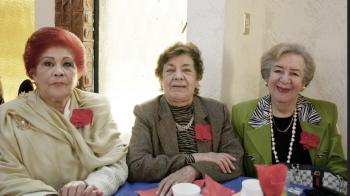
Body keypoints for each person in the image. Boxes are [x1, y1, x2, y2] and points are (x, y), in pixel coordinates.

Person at [0, 27, 128, 196]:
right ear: (33, 73)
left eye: (67, 64)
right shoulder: (8, 116)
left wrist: (91, 186)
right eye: (48, 63)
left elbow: (116, 161)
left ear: (79, 72)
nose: (59, 72)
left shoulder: (97, 106)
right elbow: (7, 177)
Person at [127, 42, 244, 195]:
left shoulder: (217, 111)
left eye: (186, 70)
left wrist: (193, 170)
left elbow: (235, 161)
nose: (178, 76)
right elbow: (137, 166)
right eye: (170, 70)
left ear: (197, 78)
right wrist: (195, 157)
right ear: (161, 78)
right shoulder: (146, 112)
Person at [232, 43, 347, 178]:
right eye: (278, 71)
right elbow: (235, 168)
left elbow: (339, 169)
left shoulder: (326, 113)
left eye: (294, 73)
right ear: (267, 76)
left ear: (304, 82)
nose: (285, 79)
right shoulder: (242, 114)